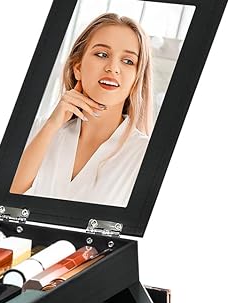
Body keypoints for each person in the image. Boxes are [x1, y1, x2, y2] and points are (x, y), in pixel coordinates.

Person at [11, 13, 153, 207]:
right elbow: (3, 201)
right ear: (77, 68)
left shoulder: (144, 154)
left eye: (128, 61)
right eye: (102, 54)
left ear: (137, 78)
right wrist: (51, 126)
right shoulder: (41, 129)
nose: (113, 68)